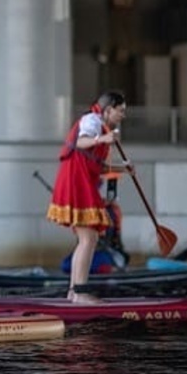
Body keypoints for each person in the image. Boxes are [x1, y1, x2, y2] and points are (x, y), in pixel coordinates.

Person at [46, 90, 128, 304]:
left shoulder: (98, 125)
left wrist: (124, 169)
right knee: (88, 238)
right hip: (76, 182)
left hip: (79, 179)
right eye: (120, 111)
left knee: (87, 238)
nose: (123, 115)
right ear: (108, 110)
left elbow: (96, 164)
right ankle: (79, 293)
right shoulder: (91, 120)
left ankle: (74, 292)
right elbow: (82, 142)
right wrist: (105, 138)